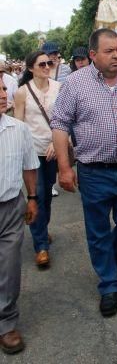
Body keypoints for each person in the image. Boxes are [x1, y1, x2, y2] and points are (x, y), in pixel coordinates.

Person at [51, 28, 117, 317]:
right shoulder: (75, 84)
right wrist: (64, 167)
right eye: (109, 51)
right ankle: (108, 285)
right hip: (93, 172)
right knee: (97, 231)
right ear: (93, 55)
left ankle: (114, 251)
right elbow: (60, 124)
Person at [0, 78, 39, 354]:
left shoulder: (19, 129)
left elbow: (29, 166)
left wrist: (33, 197)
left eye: (3, 88)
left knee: (9, 268)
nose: (4, 95)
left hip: (11, 206)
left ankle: (6, 323)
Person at [14, 51, 60, 268]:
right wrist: (20, 151)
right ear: (31, 68)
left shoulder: (59, 88)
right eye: (42, 64)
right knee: (38, 194)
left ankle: (42, 229)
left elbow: (63, 119)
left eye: (49, 63)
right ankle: (41, 245)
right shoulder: (22, 92)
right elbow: (19, 124)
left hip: (52, 150)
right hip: (31, 152)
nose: (47, 66)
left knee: (48, 196)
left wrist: (56, 142)